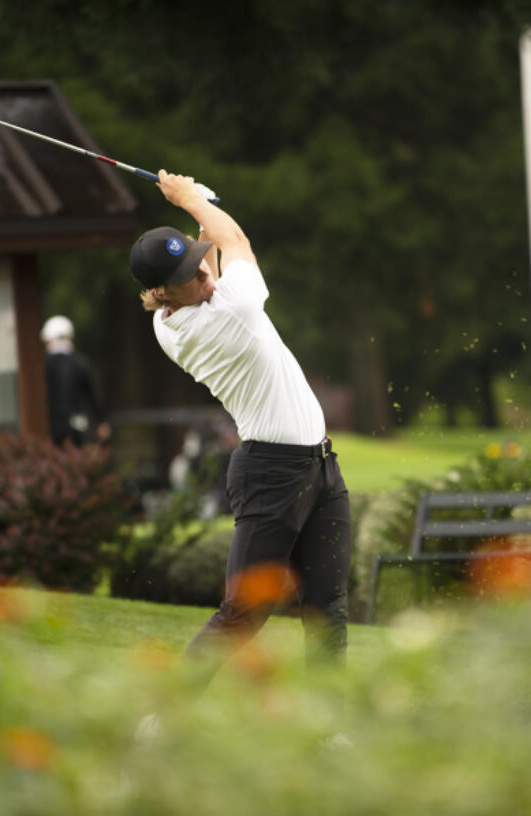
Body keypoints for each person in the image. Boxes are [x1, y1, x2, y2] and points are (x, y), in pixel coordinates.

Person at [130, 170, 351, 687]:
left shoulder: (182, 310)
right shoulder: (228, 313)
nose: (206, 276)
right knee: (244, 611)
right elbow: (235, 242)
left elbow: (212, 250)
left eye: (199, 264)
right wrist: (190, 198)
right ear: (164, 293)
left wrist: (196, 211)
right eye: (192, 275)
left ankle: (331, 729)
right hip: (272, 473)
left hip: (319, 464)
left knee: (328, 605)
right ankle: (162, 715)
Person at [41, 315, 110, 447]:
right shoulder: (81, 363)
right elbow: (93, 396)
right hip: (78, 425)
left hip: (51, 427)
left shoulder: (44, 365)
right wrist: (102, 421)